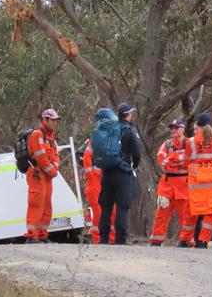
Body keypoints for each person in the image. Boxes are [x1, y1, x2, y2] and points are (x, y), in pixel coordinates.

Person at [184, 112, 212, 249]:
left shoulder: (191, 142)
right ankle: (208, 242)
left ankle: (199, 242)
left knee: (198, 214)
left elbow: (186, 161)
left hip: (197, 185)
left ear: (198, 126)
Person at [99, 102, 141, 245]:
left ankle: (103, 240)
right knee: (122, 207)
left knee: (106, 208)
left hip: (107, 173)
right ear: (128, 115)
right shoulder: (129, 130)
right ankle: (120, 241)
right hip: (122, 173)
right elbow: (136, 152)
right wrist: (134, 165)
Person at [150, 120, 196, 247]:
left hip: (184, 185)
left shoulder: (189, 143)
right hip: (167, 185)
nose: (173, 130)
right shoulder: (167, 144)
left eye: (176, 128)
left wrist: (172, 159)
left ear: (183, 129)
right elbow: (162, 161)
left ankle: (187, 240)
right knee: (161, 214)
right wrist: (177, 160)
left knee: (185, 215)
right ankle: (156, 240)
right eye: (171, 128)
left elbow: (189, 161)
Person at [24, 108, 61, 243]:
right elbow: (41, 157)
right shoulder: (37, 135)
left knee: (46, 205)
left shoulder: (51, 138)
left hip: (47, 176)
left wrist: (54, 169)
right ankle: (31, 235)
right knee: (36, 204)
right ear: (45, 120)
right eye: (53, 120)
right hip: (37, 174)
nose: (55, 123)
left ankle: (42, 234)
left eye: (56, 121)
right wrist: (52, 171)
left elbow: (56, 156)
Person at [81, 138, 116, 244]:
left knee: (113, 211)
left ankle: (111, 240)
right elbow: (87, 157)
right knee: (98, 211)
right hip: (95, 180)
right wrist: (91, 176)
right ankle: (97, 239)